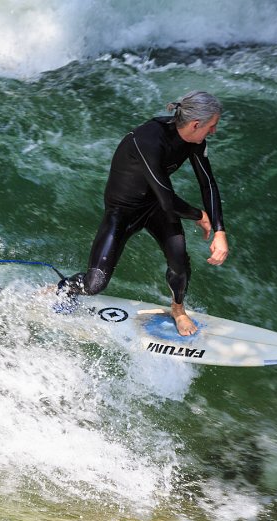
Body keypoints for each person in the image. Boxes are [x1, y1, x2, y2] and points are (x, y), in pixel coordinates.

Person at [58, 90, 229, 336]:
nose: (213, 131)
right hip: (122, 211)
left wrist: (220, 231)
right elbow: (168, 199)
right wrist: (201, 216)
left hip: (155, 206)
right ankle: (66, 287)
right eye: (211, 126)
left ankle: (178, 310)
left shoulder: (195, 141)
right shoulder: (148, 140)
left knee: (179, 262)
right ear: (195, 124)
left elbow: (208, 184)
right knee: (94, 284)